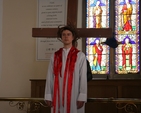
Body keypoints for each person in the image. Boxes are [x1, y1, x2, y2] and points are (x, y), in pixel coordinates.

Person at [44, 25, 87, 113]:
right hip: (57, 93)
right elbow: (50, 76)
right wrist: (48, 95)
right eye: (63, 35)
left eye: (68, 34)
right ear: (61, 37)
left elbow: (82, 77)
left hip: (74, 93)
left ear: (73, 37)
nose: (66, 36)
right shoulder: (55, 56)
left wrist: (82, 96)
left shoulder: (80, 56)